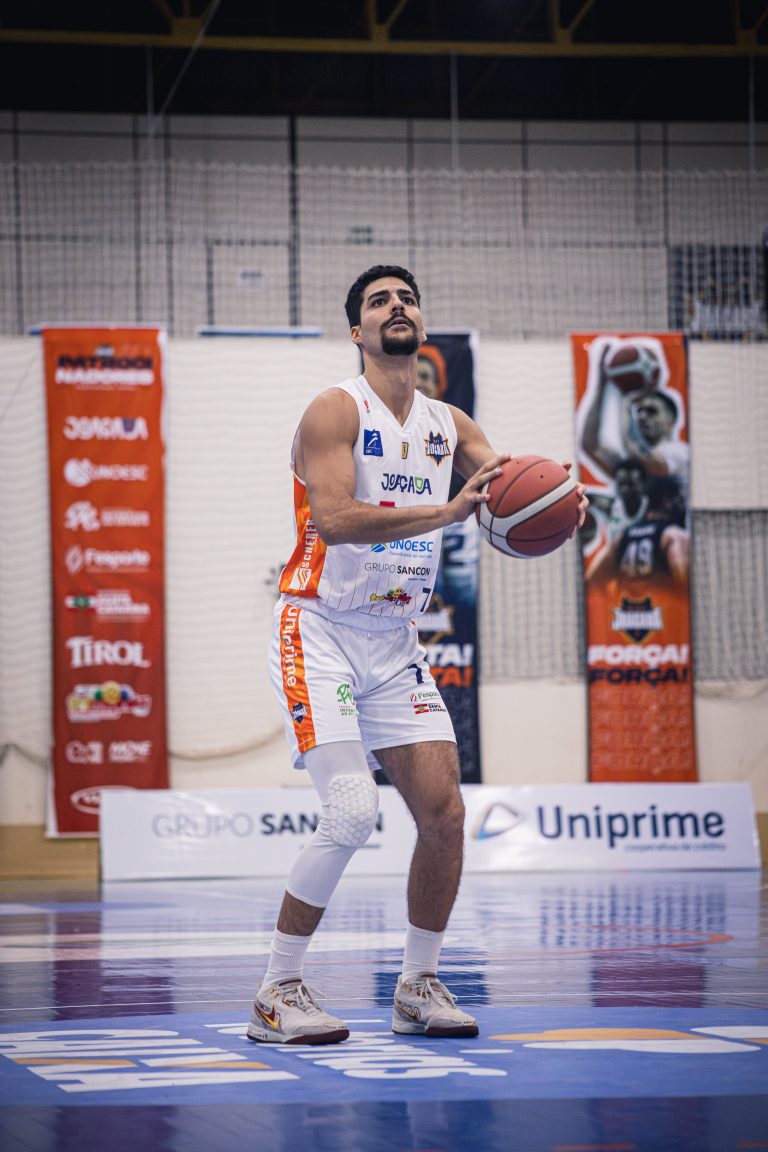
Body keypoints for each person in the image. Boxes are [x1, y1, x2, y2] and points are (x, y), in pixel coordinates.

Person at [248, 264, 587, 1048]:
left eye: (406, 298)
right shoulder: (335, 410)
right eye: (379, 301)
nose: (395, 306)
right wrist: (448, 510)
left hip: (393, 642)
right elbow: (335, 518)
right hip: (317, 629)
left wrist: (560, 501)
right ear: (358, 331)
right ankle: (276, 989)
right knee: (351, 810)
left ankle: (416, 986)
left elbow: (504, 488)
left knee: (444, 817)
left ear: (421, 325)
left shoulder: (450, 424)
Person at [581, 345, 690, 486]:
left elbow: (640, 458)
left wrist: (627, 402)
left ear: (671, 420)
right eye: (639, 411)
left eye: (652, 411)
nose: (642, 416)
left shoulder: (678, 451)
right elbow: (589, 445)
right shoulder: (634, 466)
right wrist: (601, 385)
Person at [585, 474, 689, 588]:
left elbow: (593, 580)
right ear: (668, 503)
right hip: (662, 597)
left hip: (626, 598)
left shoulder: (622, 537)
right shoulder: (672, 535)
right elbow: (683, 580)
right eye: (680, 500)